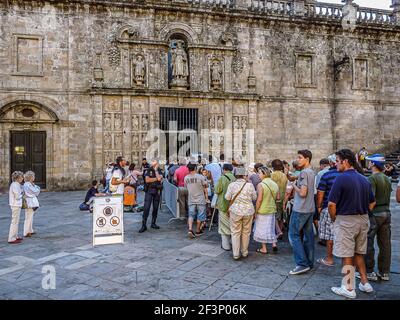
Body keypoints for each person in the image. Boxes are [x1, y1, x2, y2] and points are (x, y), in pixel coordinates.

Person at [329, 149, 376, 299]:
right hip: (363, 219)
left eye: (337, 161)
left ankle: (348, 287)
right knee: (359, 253)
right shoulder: (364, 179)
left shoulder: (341, 178)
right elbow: (372, 202)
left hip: (346, 220)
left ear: (345, 161)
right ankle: (364, 282)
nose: (336, 164)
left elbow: (331, 204)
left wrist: (334, 218)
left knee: (347, 254)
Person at [364, 154, 392, 282]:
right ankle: (384, 272)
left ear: (374, 164)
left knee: (369, 243)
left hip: (375, 214)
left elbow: (372, 200)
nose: (368, 164)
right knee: (385, 244)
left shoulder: (372, 178)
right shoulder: (387, 178)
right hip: (386, 213)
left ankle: (369, 271)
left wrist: (365, 213)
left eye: (370, 162)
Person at [288, 150, 316, 275]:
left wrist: (293, 185)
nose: (298, 160)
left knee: (293, 235)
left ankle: (302, 263)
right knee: (308, 237)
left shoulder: (304, 172)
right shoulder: (311, 171)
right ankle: (309, 262)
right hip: (309, 208)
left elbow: (303, 193)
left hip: (300, 208)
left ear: (307, 159)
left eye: (300, 157)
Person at [225, 167, 256, 260]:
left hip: (235, 211)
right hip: (248, 211)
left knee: (235, 232)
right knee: (246, 232)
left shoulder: (231, 185)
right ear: (244, 175)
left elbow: (227, 197)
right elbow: (254, 197)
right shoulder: (250, 185)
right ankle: (245, 252)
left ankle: (236, 254)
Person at [316, 154, 341, 267]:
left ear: (331, 163)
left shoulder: (327, 175)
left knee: (329, 235)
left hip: (329, 207)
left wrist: (319, 207)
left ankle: (330, 258)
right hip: (344, 209)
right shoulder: (346, 174)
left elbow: (320, 193)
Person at [254, 166, 280, 254]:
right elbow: (278, 198)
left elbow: (259, 200)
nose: (258, 174)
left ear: (264, 174)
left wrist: (256, 211)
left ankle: (264, 248)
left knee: (262, 229)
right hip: (272, 209)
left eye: (259, 173)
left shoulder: (261, 185)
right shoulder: (274, 184)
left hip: (263, 210)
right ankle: (274, 244)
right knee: (271, 228)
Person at [214, 164, 236, 251]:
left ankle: (226, 245)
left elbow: (217, 190)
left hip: (223, 204)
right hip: (233, 205)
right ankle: (233, 242)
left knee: (223, 226)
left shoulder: (222, 178)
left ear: (224, 169)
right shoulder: (235, 178)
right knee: (233, 225)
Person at [185, 163, 208, 238]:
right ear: (195, 168)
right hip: (200, 198)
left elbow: (186, 187)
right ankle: (198, 230)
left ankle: (190, 229)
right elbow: (206, 186)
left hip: (191, 198)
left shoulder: (186, 178)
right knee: (200, 214)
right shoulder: (201, 177)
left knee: (191, 214)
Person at [140, 159, 163, 233]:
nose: (155, 164)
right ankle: (144, 225)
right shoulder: (148, 170)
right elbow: (147, 180)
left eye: (156, 162)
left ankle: (153, 223)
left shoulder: (159, 170)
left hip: (157, 191)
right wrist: (156, 178)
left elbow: (160, 178)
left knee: (155, 208)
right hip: (149, 191)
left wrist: (156, 172)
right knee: (146, 208)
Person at [270, 159, 288, 237]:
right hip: (283, 197)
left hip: (273, 198)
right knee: (281, 215)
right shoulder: (285, 175)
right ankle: (280, 230)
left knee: (274, 215)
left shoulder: (271, 175)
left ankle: (277, 231)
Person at [22, 171, 41, 238]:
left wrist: (35, 187)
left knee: (30, 216)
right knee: (28, 217)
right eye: (33, 176)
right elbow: (35, 191)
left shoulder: (29, 184)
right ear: (30, 177)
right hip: (29, 202)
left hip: (31, 201)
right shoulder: (28, 184)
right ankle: (26, 232)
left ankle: (30, 230)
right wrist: (37, 188)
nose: (34, 178)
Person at [8, 171, 24, 244]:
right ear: (17, 178)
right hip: (15, 205)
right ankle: (11, 238)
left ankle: (15, 236)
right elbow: (17, 197)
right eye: (21, 177)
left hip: (17, 205)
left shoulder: (17, 184)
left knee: (16, 222)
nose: (22, 178)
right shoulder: (14, 185)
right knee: (14, 222)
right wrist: (23, 195)